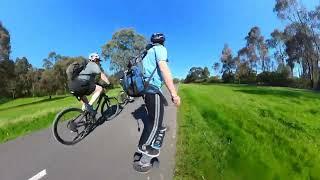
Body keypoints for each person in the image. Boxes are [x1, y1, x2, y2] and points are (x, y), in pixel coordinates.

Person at [137, 33, 181, 157]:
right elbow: (164, 69)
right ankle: (144, 146)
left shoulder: (148, 52)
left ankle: (159, 129)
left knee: (156, 117)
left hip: (146, 88)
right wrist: (174, 94)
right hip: (152, 89)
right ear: (163, 41)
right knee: (154, 122)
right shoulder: (160, 49)